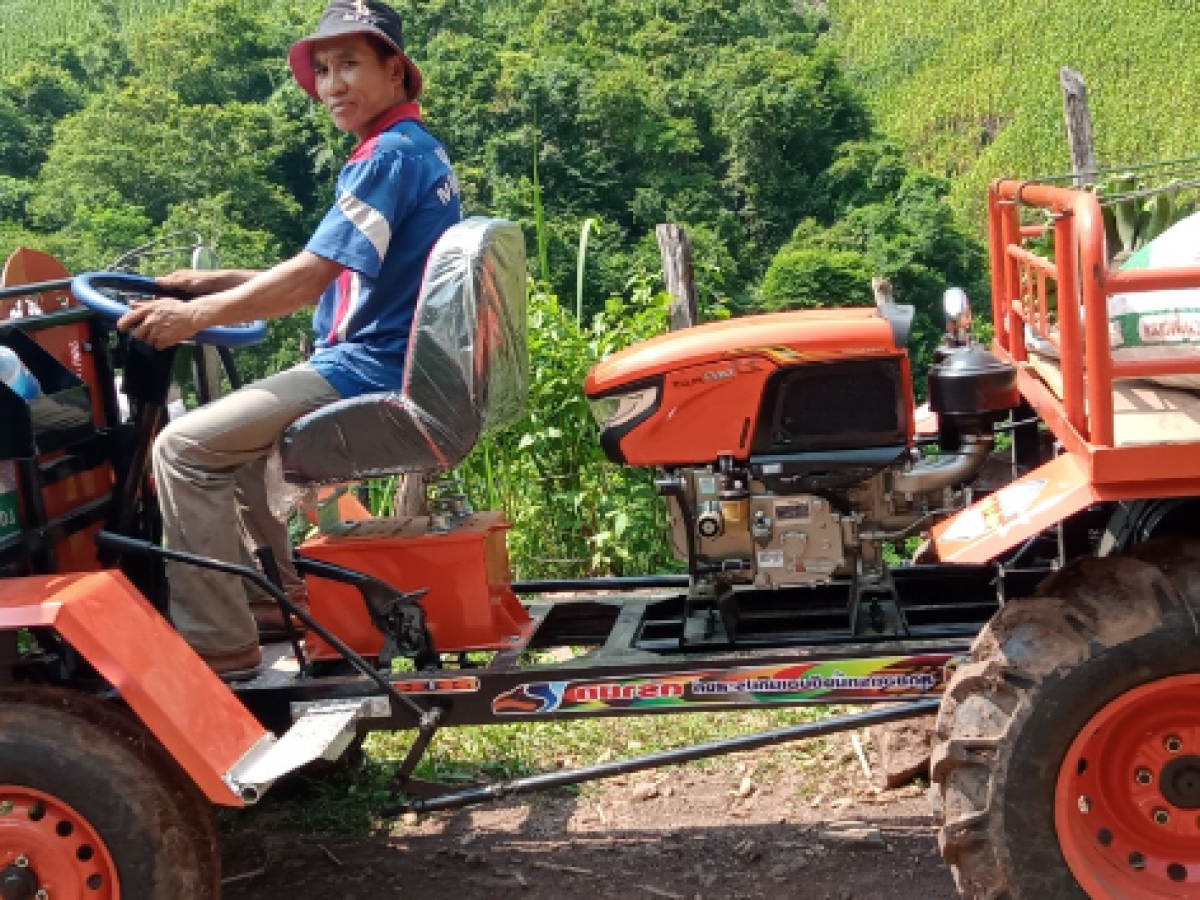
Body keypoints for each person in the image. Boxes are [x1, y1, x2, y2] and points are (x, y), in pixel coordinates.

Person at [117, 0, 462, 676]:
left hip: (369, 369)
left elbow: (309, 281)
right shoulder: (413, 149)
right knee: (230, 443)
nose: (333, 84)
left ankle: (218, 649)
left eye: (351, 65)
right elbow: (344, 277)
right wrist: (216, 286)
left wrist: (191, 317)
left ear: (396, 70)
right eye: (324, 69)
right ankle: (273, 601)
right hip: (382, 358)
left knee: (182, 448)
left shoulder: (385, 159)